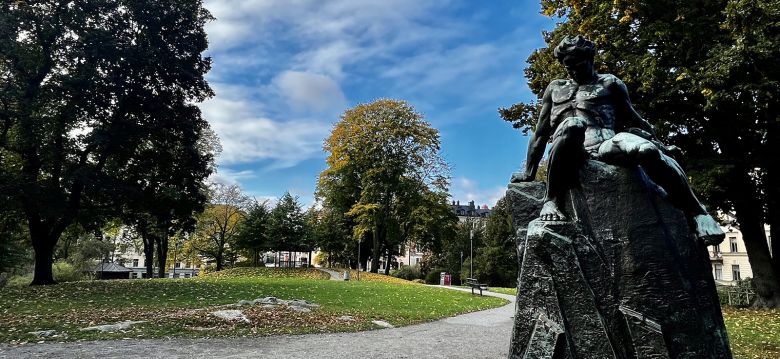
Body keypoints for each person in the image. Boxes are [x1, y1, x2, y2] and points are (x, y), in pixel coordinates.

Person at [511, 35, 724, 245]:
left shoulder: (609, 83)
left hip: (604, 144)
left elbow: (634, 118)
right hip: (569, 149)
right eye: (568, 66)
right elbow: (540, 132)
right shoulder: (555, 88)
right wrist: (529, 173)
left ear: (590, 59)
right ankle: (552, 201)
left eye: (578, 64)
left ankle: (697, 213)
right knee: (572, 125)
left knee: (647, 150)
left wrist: (661, 145)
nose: (573, 70)